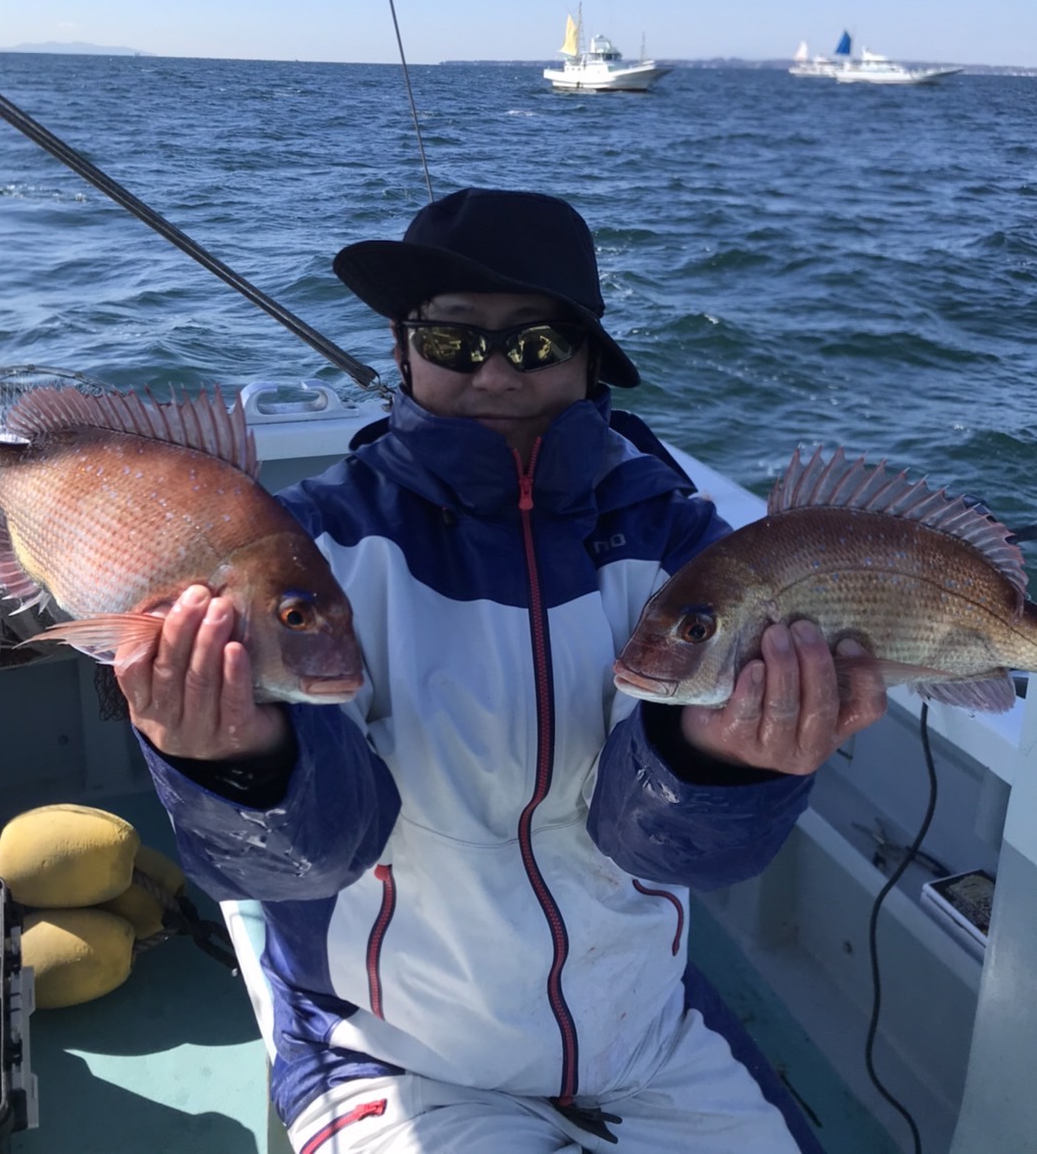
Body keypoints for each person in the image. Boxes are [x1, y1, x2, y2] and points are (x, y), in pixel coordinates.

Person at [116, 187, 886, 1153]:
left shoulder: (684, 553)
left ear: (588, 355)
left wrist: (723, 764)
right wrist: (234, 765)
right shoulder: (310, 554)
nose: (491, 371)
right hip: (388, 1055)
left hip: (646, 1029)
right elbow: (305, 862)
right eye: (450, 340)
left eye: (535, 342)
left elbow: (671, 853)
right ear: (402, 351)